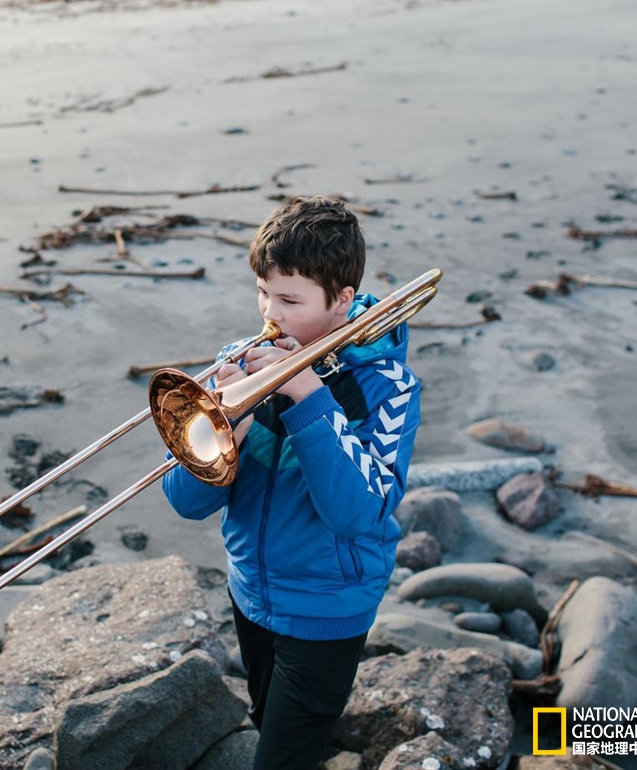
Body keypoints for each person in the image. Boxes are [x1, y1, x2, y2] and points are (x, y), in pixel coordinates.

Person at [161, 196, 421, 770]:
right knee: (266, 723)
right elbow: (185, 503)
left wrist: (306, 395)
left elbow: (358, 514)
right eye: (263, 293)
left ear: (342, 300)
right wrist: (225, 432)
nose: (269, 314)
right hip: (250, 590)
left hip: (328, 607)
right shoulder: (242, 359)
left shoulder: (388, 387)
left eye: (290, 300)